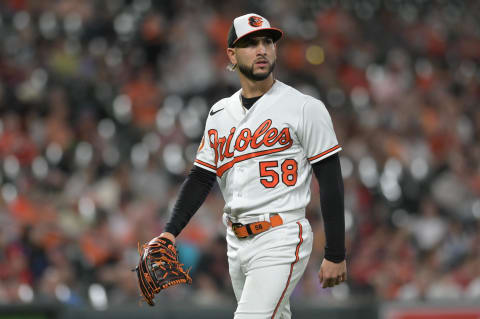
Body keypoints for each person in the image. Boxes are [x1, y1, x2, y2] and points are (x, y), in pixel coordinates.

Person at [156, 13, 347, 318]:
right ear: (231, 54)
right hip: (236, 241)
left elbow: (332, 181)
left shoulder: (304, 107)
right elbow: (201, 177)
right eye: (250, 43)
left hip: (281, 234)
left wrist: (336, 252)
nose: (261, 50)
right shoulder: (219, 113)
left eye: (267, 42)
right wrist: (170, 231)